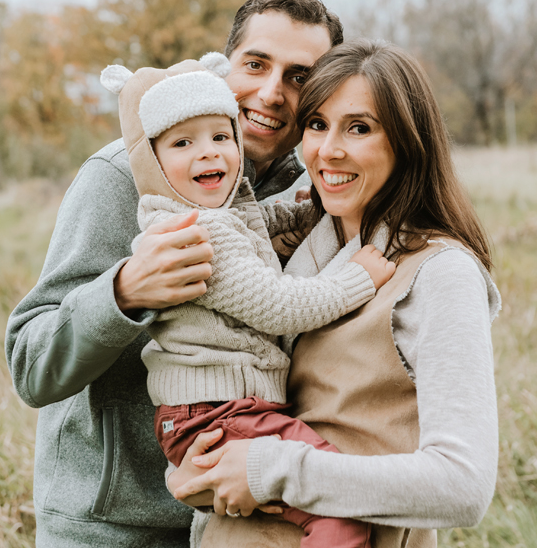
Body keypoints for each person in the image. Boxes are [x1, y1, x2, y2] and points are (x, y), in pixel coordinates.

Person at [4, 0, 343, 548]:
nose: (269, 92)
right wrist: (124, 292)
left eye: (299, 76)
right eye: (255, 65)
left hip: (238, 515)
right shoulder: (121, 178)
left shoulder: (308, 191)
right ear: (224, 64)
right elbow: (29, 364)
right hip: (114, 526)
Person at [170, 39, 502, 548]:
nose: (328, 151)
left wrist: (271, 468)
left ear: (408, 142)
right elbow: (246, 417)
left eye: (360, 128)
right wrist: (192, 473)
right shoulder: (293, 254)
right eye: (318, 125)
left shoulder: (440, 272)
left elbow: (463, 485)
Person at [99, 50, 398, 548]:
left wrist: (303, 215)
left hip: (218, 411)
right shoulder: (192, 234)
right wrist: (358, 278)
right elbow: (277, 305)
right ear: (151, 159)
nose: (210, 152)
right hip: (219, 414)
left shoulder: (214, 209)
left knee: (308, 506)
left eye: (221, 136)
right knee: (338, 507)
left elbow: (256, 223)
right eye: (182, 142)